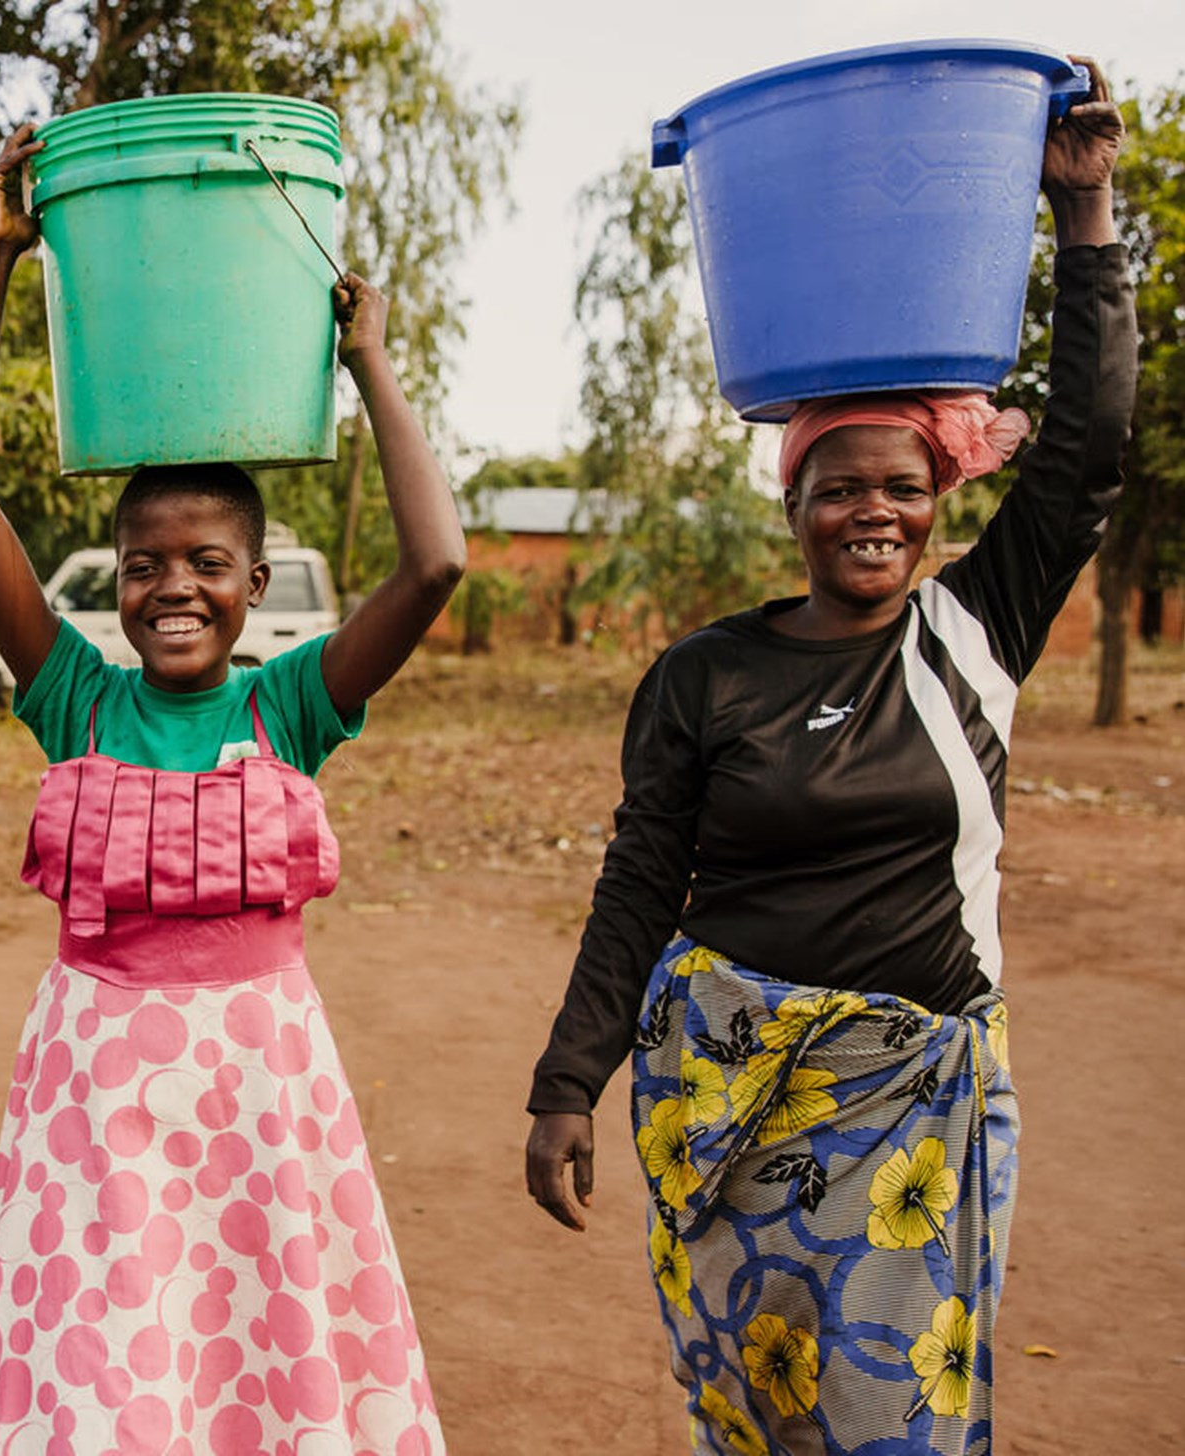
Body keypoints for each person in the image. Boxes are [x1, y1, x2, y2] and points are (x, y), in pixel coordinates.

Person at [523, 61, 1132, 1456]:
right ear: (792, 502)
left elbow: (1089, 446)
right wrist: (571, 1081)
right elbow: (638, 888)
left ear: (938, 501)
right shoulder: (705, 677)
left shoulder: (975, 630)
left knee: (892, 1416)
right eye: (840, 486)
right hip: (735, 1107)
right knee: (752, 1411)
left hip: (918, 1108)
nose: (874, 512)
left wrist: (1083, 215)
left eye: (903, 488)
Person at [0, 124, 467, 1454]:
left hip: (259, 1078)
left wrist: (370, 366)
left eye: (209, 561)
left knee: (260, 1334)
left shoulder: (287, 706)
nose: (175, 586)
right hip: (101, 1084)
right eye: (146, 562)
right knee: (122, 1348)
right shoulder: (79, 702)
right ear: (116, 579)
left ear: (253, 579)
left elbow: (437, 564)